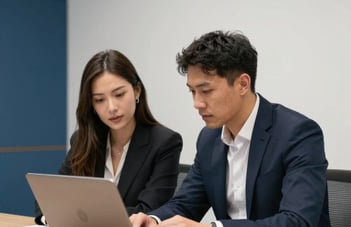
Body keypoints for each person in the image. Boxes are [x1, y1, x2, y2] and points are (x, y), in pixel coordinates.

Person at [130, 30, 330, 227]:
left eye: (206, 91)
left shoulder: (298, 134)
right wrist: (152, 219)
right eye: (192, 92)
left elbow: (297, 221)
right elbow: (185, 204)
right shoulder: (209, 138)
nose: (197, 103)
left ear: (243, 84)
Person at [34, 49, 183, 225]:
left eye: (119, 95)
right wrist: (52, 216)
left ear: (137, 91)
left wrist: (74, 215)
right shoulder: (82, 140)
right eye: (99, 100)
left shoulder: (165, 142)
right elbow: (48, 199)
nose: (111, 107)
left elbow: (147, 211)